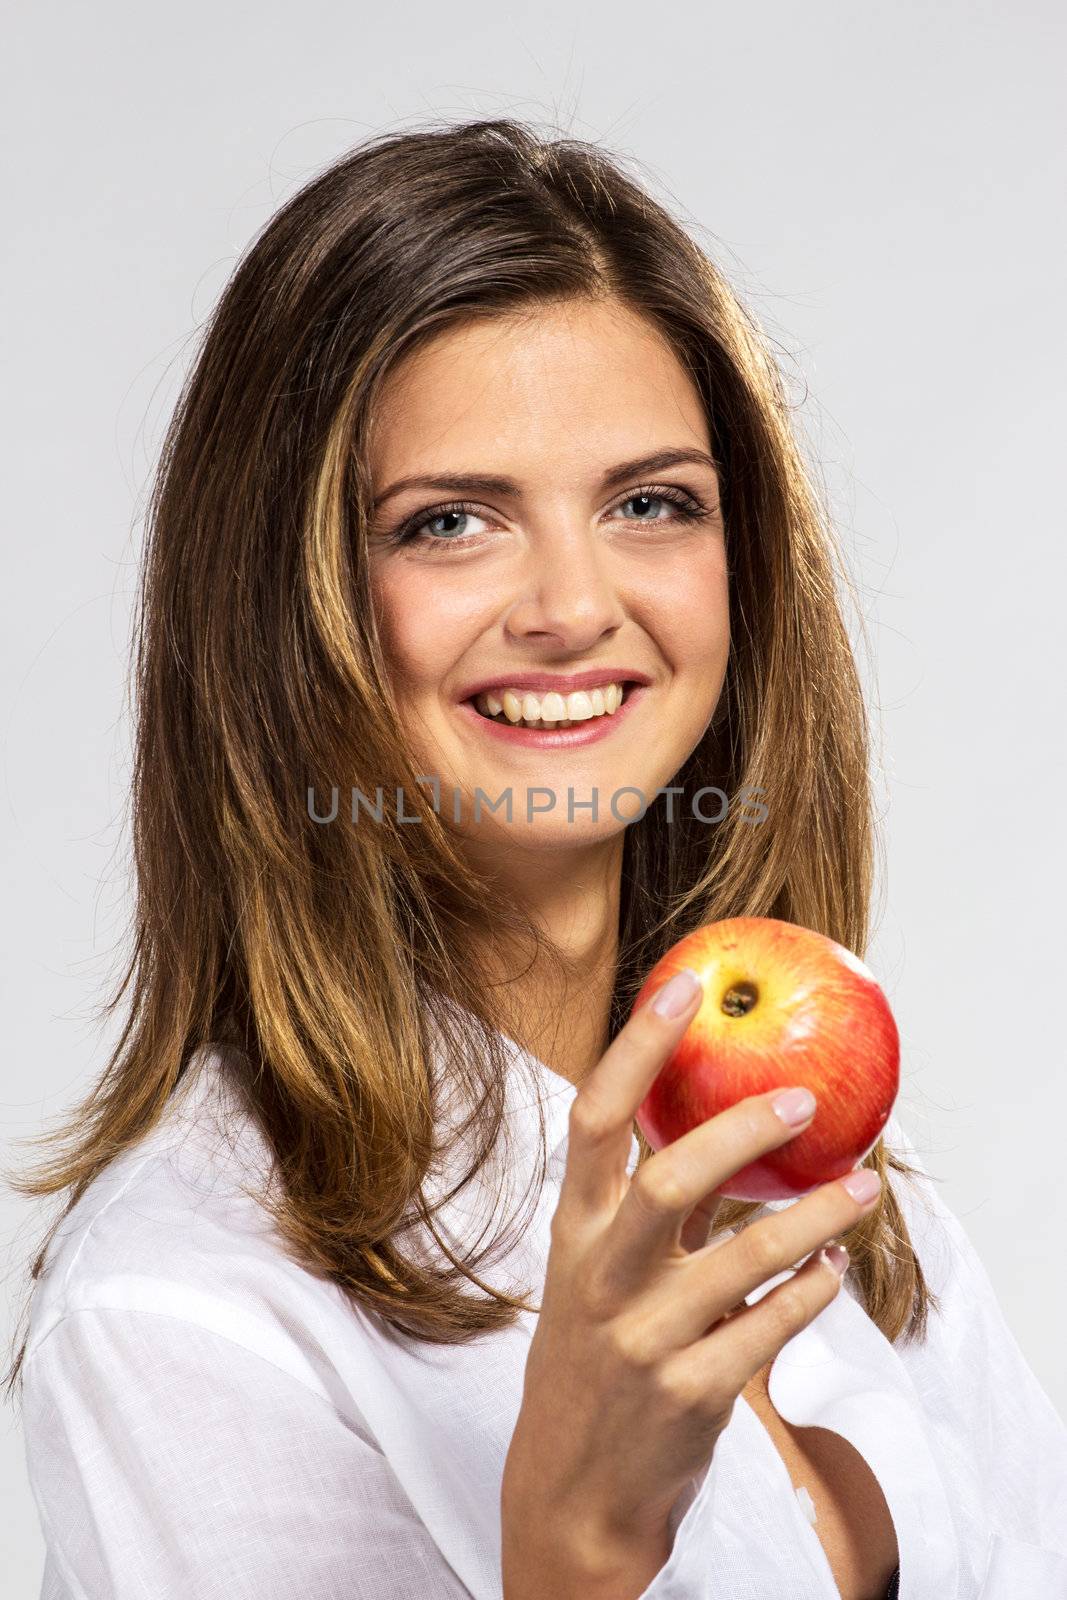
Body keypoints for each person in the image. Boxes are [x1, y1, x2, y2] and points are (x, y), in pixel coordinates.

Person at [6, 116, 1066, 1600]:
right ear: (284, 610)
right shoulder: (182, 1309)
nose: (574, 604)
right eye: (450, 524)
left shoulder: (859, 1202)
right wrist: (572, 1557)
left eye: (651, 504)